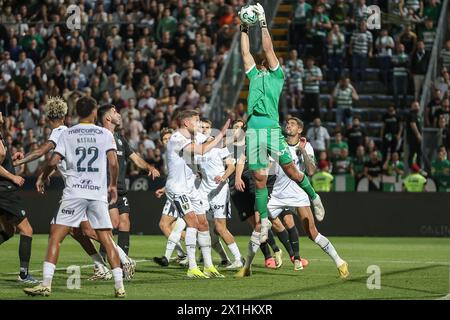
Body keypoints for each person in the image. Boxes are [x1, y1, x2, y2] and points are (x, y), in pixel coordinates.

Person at [23, 96, 126, 297]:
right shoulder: (104, 133)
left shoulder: (67, 134)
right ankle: (119, 287)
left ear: (76, 112)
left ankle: (46, 284)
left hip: (74, 193)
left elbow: (53, 162)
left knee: (56, 237)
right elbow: (113, 162)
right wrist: (112, 184)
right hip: (97, 193)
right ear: (95, 112)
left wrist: (42, 177)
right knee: (106, 239)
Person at [240, 3, 324, 243]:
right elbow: (245, 53)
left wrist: (262, 22)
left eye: (266, 61)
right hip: (254, 127)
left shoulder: (278, 76)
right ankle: (264, 221)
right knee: (259, 178)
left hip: (270, 125)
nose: (263, 61)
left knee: (290, 168)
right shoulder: (253, 74)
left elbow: (267, 49)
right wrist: (244, 27)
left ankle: (314, 197)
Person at [237, 131, 349, 278]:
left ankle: (340, 262)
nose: (288, 125)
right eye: (287, 123)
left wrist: (302, 150)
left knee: (312, 232)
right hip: (277, 194)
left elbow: (310, 170)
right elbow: (260, 162)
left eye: (292, 123)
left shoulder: (306, 146)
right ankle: (246, 268)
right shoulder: (276, 143)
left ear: (299, 129)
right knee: (259, 226)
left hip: (298, 194)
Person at [164, 109, 229, 278]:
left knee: (203, 224)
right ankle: (192, 267)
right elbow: (200, 151)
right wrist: (221, 134)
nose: (199, 124)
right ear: (186, 123)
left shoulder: (195, 136)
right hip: (177, 188)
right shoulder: (177, 138)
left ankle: (208, 266)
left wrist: (232, 135)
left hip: (191, 188)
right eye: (196, 120)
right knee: (192, 222)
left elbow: (215, 143)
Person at [96, 104, 160, 258]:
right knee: (113, 224)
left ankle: (125, 264)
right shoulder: (98, 137)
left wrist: (149, 167)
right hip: (106, 189)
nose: (119, 114)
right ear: (107, 117)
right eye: (115, 112)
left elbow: (136, 158)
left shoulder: (119, 138)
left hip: (120, 189)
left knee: (125, 223)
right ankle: (101, 264)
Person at [0, 112, 39, 284]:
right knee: (27, 230)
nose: (2, 114)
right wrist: (12, 177)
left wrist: (11, 159)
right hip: (5, 191)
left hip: (2, 191)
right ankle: (24, 275)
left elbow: (2, 161)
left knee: (9, 231)